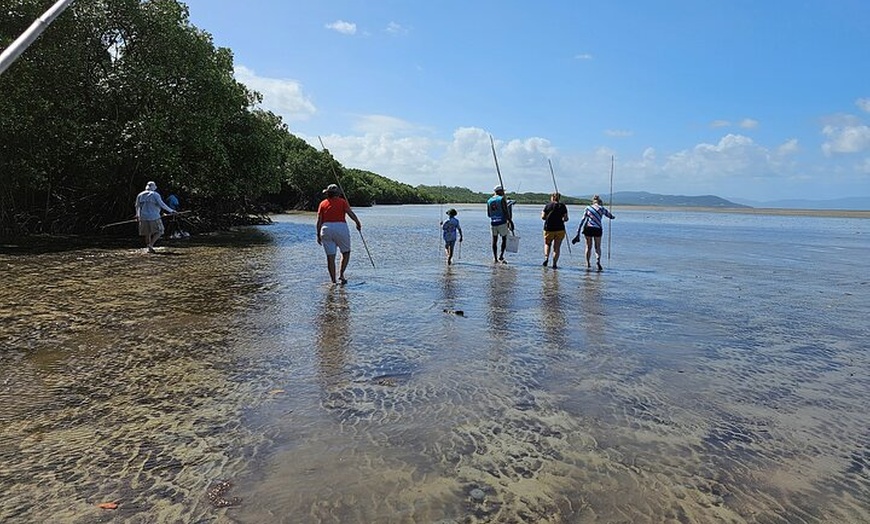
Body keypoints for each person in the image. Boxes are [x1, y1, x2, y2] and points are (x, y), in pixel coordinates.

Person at [316, 183, 362, 285]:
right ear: (338, 194)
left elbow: (319, 221)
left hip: (326, 229)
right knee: (346, 252)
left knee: (330, 257)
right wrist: (357, 223)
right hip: (340, 227)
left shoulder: (322, 204)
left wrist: (318, 234)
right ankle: (341, 275)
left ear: (328, 194)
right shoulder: (342, 202)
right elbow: (350, 213)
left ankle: (333, 281)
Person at [572, 194, 615, 271]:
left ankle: (588, 263)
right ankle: (598, 260)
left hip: (588, 228)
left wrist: (578, 231)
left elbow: (582, 220)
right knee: (597, 247)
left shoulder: (588, 208)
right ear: (600, 202)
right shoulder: (602, 209)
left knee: (588, 247)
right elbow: (611, 216)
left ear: (593, 202)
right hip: (598, 229)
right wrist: (612, 216)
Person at [135, 181, 177, 253]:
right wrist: (172, 211)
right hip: (154, 217)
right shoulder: (155, 195)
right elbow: (162, 204)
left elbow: (137, 206)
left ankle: (148, 248)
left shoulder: (140, 195)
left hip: (143, 217)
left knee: (147, 233)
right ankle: (151, 245)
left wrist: (138, 215)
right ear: (154, 187)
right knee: (160, 231)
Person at [541, 192, 569, 269]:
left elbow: (543, 217)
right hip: (560, 229)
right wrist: (563, 219)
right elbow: (566, 218)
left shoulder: (547, 205)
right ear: (559, 198)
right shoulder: (562, 206)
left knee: (547, 244)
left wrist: (548, 218)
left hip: (548, 228)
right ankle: (554, 264)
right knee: (557, 248)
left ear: (552, 197)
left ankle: (546, 258)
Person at [486, 185, 513, 263]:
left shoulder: (489, 200)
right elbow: (505, 212)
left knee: (494, 240)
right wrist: (510, 221)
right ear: (499, 191)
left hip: (493, 223)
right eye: (502, 191)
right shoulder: (501, 199)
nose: (503, 192)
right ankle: (501, 255)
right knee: (504, 239)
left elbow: (488, 214)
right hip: (502, 222)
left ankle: (495, 258)